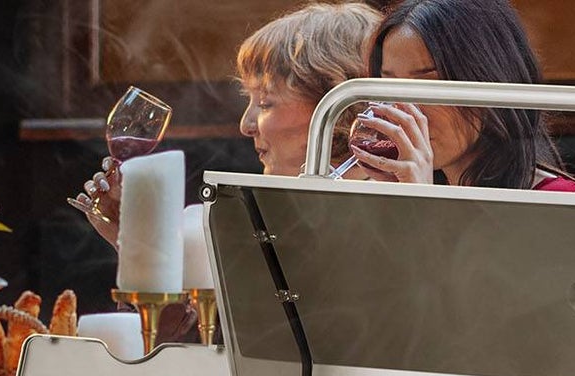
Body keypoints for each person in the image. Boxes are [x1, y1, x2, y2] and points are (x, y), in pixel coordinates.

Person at [75, 2, 380, 247]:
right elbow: (199, 324)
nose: (246, 125)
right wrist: (131, 240)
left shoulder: (378, 225)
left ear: (339, 109)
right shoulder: (270, 217)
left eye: (265, 103)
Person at [350, 0, 575, 191]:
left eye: (428, 85)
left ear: (489, 79)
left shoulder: (559, 202)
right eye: (389, 88)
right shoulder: (409, 190)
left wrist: (421, 203)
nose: (405, 112)